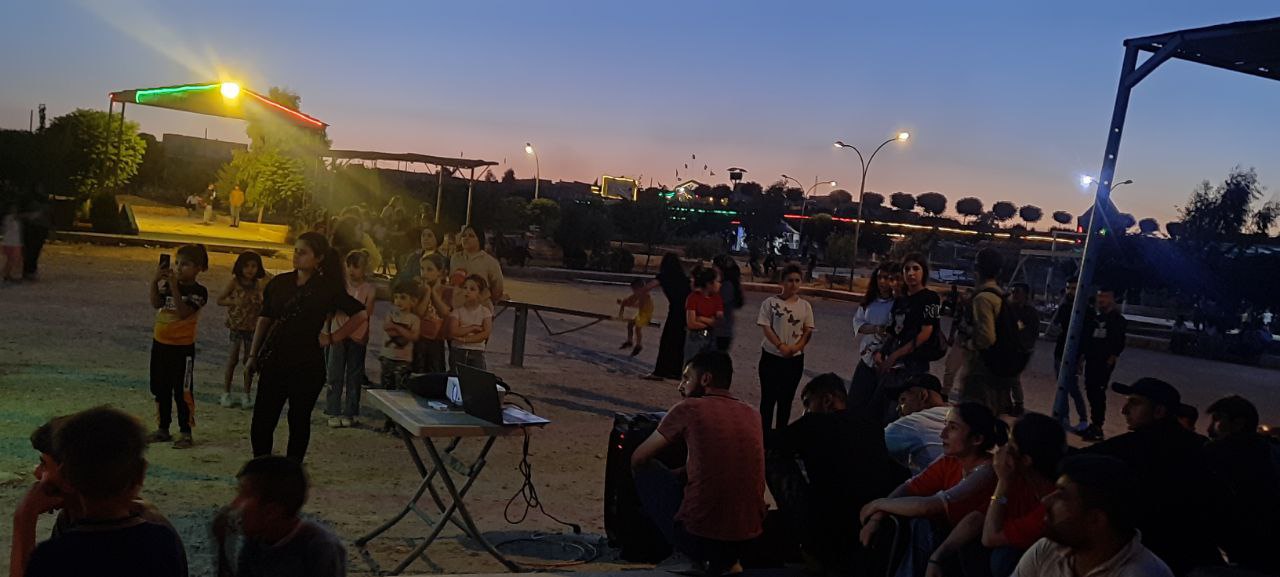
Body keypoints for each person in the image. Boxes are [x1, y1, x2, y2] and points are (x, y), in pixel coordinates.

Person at [632, 351, 766, 576]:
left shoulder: (689, 408)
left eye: (686, 378)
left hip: (700, 536)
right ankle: (727, 562)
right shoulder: (752, 413)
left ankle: (685, 554)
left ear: (705, 379)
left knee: (646, 469)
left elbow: (639, 457)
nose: (681, 386)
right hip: (748, 537)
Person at [10, 415, 186, 577]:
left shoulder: (56, 553)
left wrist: (24, 517)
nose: (37, 473)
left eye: (44, 464)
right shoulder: (161, 538)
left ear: (67, 475)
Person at [247, 232, 368, 462]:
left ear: (318, 258)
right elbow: (265, 318)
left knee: (299, 420)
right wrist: (253, 354)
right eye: (295, 251)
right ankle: (262, 468)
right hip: (275, 359)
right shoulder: (280, 283)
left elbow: (360, 314)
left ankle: (293, 469)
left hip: (306, 363)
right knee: (262, 420)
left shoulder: (326, 288)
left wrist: (331, 338)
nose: (296, 256)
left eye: (303, 253)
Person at [1085, 378, 1219, 575]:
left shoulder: (1134, 446)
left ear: (1159, 411)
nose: (1124, 410)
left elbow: (1080, 463)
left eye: (1135, 403)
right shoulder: (1201, 446)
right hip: (1196, 554)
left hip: (1150, 552)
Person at [774, 373, 903, 573]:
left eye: (808, 403)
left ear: (827, 400)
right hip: (871, 525)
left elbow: (769, 442)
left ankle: (799, 544)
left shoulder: (814, 424)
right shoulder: (871, 424)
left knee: (773, 457)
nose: (806, 411)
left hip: (830, 528)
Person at [860, 402, 1006, 577]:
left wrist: (878, 504)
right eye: (945, 425)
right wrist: (877, 517)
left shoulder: (988, 471)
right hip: (950, 543)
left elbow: (929, 506)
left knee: (922, 524)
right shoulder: (951, 461)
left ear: (977, 439)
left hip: (975, 552)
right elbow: (910, 488)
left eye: (953, 428)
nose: (942, 434)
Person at [1011, 454, 1173, 577]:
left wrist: (1003, 490)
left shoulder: (1142, 572)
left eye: (1061, 496)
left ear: (1096, 519)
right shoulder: (1050, 548)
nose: (1045, 501)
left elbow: (997, 534)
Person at [214, 456, 346, 577]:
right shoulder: (256, 541)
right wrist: (223, 547)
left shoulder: (320, 547)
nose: (234, 504)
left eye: (244, 495)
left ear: (271, 511)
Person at [981, 412, 1067, 577]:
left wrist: (1003, 481)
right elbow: (978, 517)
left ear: (1026, 460)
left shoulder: (1052, 505)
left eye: (1011, 447)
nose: (1003, 450)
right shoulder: (1026, 482)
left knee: (1004, 557)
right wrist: (938, 557)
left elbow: (990, 537)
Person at [1201, 395, 1280, 574]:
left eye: (1217, 421)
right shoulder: (1271, 452)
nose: (1210, 429)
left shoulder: (1216, 455)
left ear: (1238, 424)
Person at [147, 243, 209, 449]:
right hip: (160, 344)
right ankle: (163, 427)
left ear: (198, 268)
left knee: (182, 390)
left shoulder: (199, 291)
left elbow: (183, 313)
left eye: (185, 264)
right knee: (160, 387)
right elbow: (156, 303)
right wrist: (155, 281)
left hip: (182, 349)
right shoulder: (168, 285)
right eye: (177, 263)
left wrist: (174, 286)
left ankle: (185, 431)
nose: (179, 268)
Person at [959, 247, 1020, 415]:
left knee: (973, 411)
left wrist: (969, 343)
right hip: (1000, 366)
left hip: (983, 366)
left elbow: (987, 337)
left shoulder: (983, 298)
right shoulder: (1001, 295)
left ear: (976, 270)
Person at [756, 264, 815, 432]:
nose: (793, 284)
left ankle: (781, 436)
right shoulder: (770, 303)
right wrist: (780, 346)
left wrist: (796, 348)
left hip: (794, 359)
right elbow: (766, 327)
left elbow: (808, 330)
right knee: (768, 400)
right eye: (790, 280)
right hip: (771, 356)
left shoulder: (805, 306)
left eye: (797, 280)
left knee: (786, 401)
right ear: (782, 282)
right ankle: (765, 436)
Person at [322, 250, 375, 428]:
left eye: (356, 266)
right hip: (338, 334)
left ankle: (350, 412)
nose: (352, 270)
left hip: (358, 336)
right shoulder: (341, 286)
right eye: (349, 266)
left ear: (365, 269)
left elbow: (367, 312)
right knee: (334, 374)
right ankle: (333, 410)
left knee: (354, 375)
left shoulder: (369, 289)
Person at [877, 253, 943, 381]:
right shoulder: (900, 300)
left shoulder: (932, 298)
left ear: (924, 272)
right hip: (895, 362)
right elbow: (894, 330)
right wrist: (881, 352)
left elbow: (926, 333)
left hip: (916, 363)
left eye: (916, 269)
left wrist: (895, 355)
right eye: (907, 269)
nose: (911, 273)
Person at [217, 250, 270, 409]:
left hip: (252, 327)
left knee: (249, 360)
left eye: (254, 266)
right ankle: (226, 392)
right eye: (246, 266)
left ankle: (246, 394)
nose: (250, 270)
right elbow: (220, 300)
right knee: (232, 359)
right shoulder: (234, 282)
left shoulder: (258, 284)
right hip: (236, 325)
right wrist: (234, 302)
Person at [850, 261, 900, 420]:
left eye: (887, 278)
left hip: (886, 362)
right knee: (855, 402)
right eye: (880, 278)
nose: (883, 282)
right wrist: (876, 329)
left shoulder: (897, 304)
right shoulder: (869, 301)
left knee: (877, 409)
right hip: (867, 358)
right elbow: (858, 324)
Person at [1079, 288, 1126, 441]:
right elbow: (1088, 339)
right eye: (1099, 296)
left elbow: (1119, 342)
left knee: (1098, 392)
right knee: (1091, 390)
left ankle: (1097, 425)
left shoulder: (1118, 320)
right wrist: (1082, 358)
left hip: (1104, 362)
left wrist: (1112, 358)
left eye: (1105, 296)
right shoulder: (1096, 318)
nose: (1101, 300)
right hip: (1092, 360)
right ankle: (1094, 424)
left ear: (1112, 299)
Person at [884, 373, 951, 475]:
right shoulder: (955, 414)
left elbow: (872, 444)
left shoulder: (916, 422)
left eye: (902, 400)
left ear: (922, 396)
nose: (898, 408)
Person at [1050, 281, 1088, 432]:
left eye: (1073, 288)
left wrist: (1081, 359)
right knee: (1061, 386)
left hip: (1075, 354)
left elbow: (1086, 337)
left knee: (1072, 388)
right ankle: (1063, 417)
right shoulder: (1064, 307)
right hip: (1060, 351)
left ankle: (1083, 418)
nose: (1070, 291)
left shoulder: (1085, 310)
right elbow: (1055, 324)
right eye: (1068, 288)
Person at [646, 253, 690, 380]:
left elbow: (648, 287)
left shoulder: (664, 276)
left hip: (675, 311)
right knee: (680, 342)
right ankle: (676, 371)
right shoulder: (683, 277)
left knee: (667, 342)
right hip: (687, 312)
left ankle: (660, 371)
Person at [380, 280, 422, 392]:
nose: (398, 301)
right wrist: (405, 331)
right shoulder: (391, 314)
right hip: (387, 356)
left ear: (413, 301)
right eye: (396, 297)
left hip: (403, 360)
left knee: (401, 389)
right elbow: (388, 329)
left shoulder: (414, 319)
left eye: (403, 297)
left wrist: (396, 327)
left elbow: (414, 336)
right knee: (386, 388)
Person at [1005, 282, 1040, 416]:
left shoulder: (1030, 312)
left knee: (1013, 378)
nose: (1014, 294)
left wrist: (1024, 345)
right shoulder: (1009, 308)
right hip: (1009, 348)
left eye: (1017, 291)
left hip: (1020, 350)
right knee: (1006, 377)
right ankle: (1007, 402)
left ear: (1025, 295)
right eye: (1013, 291)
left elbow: (1029, 333)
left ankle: (1018, 404)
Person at [413, 253, 452, 373]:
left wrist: (434, 293)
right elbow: (418, 313)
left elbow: (445, 312)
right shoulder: (419, 289)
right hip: (419, 338)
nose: (424, 273)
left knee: (435, 372)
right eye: (422, 269)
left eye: (429, 269)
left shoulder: (446, 291)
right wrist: (427, 293)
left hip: (437, 340)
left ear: (439, 272)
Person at [449, 225, 505, 307]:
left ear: (479, 239)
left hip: (480, 308)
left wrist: (484, 298)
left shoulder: (489, 261)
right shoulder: (455, 258)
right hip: (457, 307)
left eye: (471, 236)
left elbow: (498, 287)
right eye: (464, 236)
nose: (466, 238)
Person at [448, 274, 493, 370]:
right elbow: (454, 330)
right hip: (458, 350)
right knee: (456, 376)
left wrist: (466, 339)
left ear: (480, 293)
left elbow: (486, 333)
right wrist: (472, 328)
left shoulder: (485, 312)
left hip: (476, 351)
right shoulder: (457, 311)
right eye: (465, 288)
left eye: (472, 289)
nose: (467, 291)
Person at [683, 266, 724, 363]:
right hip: (695, 338)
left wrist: (701, 318)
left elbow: (719, 322)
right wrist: (710, 322)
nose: (720, 285)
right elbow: (691, 323)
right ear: (709, 284)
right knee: (692, 364)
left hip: (711, 337)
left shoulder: (717, 298)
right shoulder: (693, 298)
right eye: (717, 282)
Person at [712, 254, 744, 352]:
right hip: (723, 330)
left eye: (714, 266)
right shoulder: (727, 284)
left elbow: (719, 305)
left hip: (721, 331)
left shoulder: (726, 286)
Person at [618, 278, 654, 357]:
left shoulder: (645, 296)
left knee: (638, 328)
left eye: (634, 290)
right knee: (630, 325)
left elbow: (639, 305)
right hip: (641, 314)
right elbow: (631, 300)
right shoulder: (639, 294)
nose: (634, 292)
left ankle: (639, 345)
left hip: (646, 315)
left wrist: (628, 304)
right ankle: (629, 341)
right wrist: (623, 302)